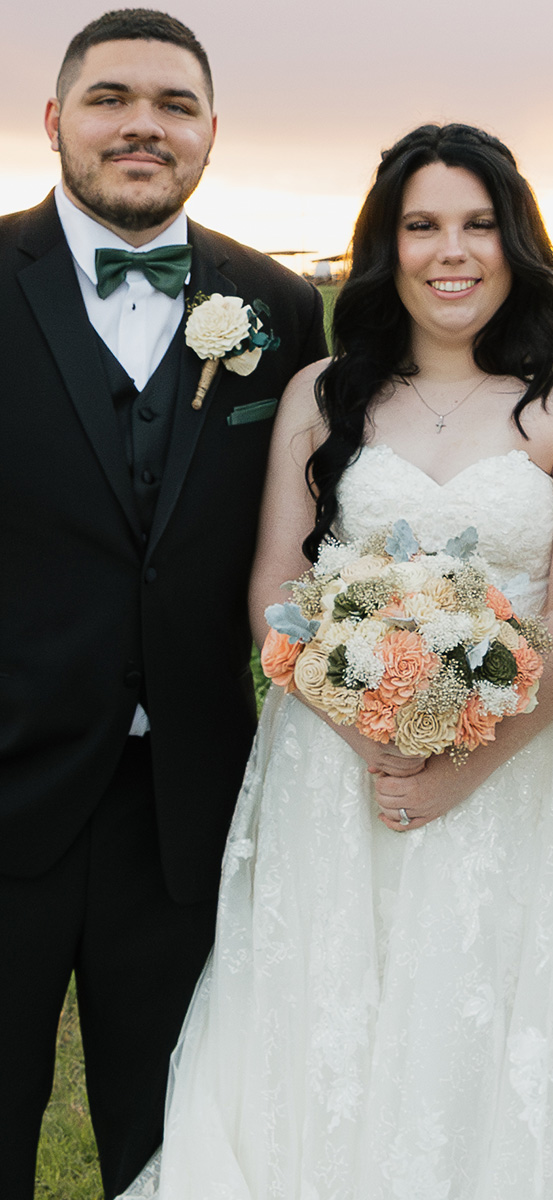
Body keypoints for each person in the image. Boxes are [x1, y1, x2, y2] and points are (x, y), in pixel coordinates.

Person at [117, 122, 553, 1199]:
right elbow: (275, 582)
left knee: (488, 1023)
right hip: (334, 768)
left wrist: (472, 759)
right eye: (422, 227)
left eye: (477, 225)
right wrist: (359, 720)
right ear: (385, 247)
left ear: (517, 241)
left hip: (519, 768)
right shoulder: (323, 395)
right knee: (328, 1023)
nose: (452, 252)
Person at [0, 11, 327, 1197]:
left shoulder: (283, 309)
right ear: (55, 122)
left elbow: (309, 546)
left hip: (190, 809)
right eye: (111, 98)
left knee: (175, 1138)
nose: (143, 124)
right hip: (7, 787)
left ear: (210, 134)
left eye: (174, 104)